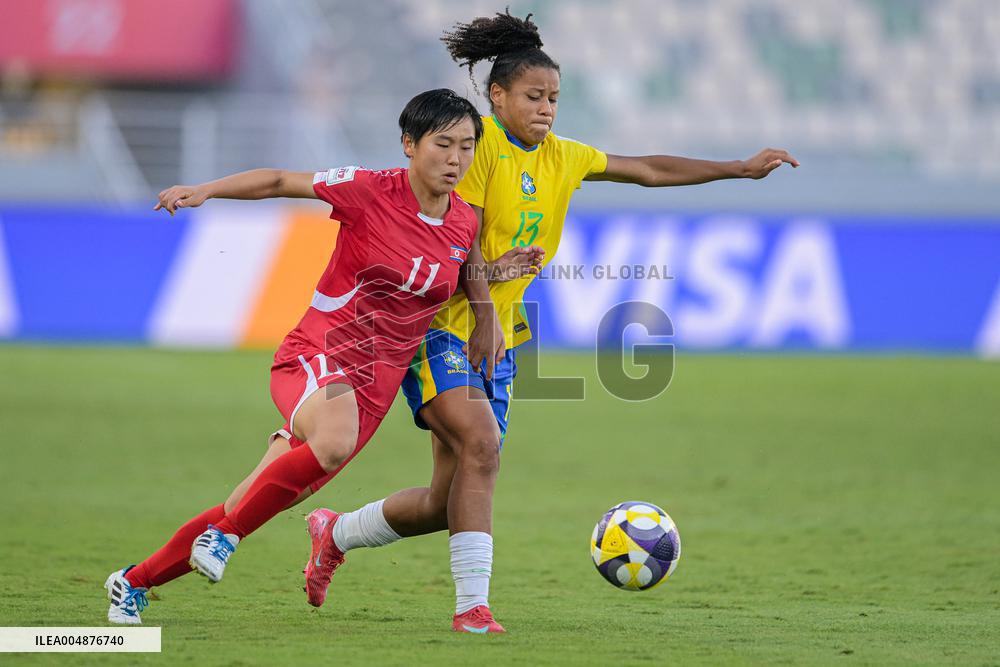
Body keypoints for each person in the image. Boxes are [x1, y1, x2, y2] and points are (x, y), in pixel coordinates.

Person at [303, 11, 800, 634]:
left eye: (555, 98)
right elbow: (462, 241)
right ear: (498, 96)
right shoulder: (474, 146)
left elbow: (647, 169)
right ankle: (472, 610)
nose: (546, 108)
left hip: (501, 335)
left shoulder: (564, 157)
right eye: (534, 97)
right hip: (439, 325)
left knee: (446, 498)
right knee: (483, 447)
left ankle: (336, 534)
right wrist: (483, 313)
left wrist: (738, 169)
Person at [103, 88, 500, 625]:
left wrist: (486, 313)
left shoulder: (463, 222)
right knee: (328, 445)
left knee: (246, 501)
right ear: (409, 143)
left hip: (372, 392)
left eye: (468, 146)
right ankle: (225, 538)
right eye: (443, 144)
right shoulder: (367, 190)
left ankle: (134, 582)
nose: (456, 159)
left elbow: (460, 272)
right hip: (319, 354)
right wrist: (205, 190)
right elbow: (279, 181)